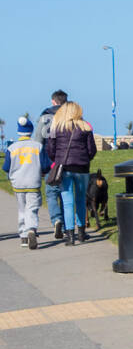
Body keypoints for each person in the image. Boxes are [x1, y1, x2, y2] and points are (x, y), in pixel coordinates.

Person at [45, 101, 96, 246]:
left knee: (67, 202)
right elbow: (92, 149)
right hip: (82, 168)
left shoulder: (57, 127)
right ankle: (81, 232)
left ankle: (70, 236)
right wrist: (86, 159)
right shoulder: (85, 126)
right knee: (80, 200)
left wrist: (57, 159)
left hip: (64, 168)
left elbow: (50, 149)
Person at [4, 116, 49, 250]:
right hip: (33, 182)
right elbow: (46, 165)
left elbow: (6, 167)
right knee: (32, 208)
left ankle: (23, 237)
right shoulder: (38, 146)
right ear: (31, 130)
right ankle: (31, 229)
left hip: (18, 184)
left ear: (18, 132)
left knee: (22, 209)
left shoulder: (12, 148)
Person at [33, 90, 66, 240]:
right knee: (65, 193)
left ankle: (56, 220)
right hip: (67, 159)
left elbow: (38, 140)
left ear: (53, 101)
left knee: (51, 193)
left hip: (49, 160)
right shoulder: (71, 114)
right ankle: (66, 226)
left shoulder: (45, 116)